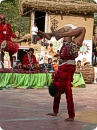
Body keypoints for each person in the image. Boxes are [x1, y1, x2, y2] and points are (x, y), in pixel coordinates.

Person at [38, 26, 86, 121]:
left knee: (83, 29)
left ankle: (57, 35)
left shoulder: (63, 85)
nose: (57, 96)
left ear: (57, 92)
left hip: (70, 54)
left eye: (56, 94)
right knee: (67, 28)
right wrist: (55, 112)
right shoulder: (55, 82)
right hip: (64, 52)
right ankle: (52, 35)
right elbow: (57, 97)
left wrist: (71, 116)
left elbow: (69, 98)